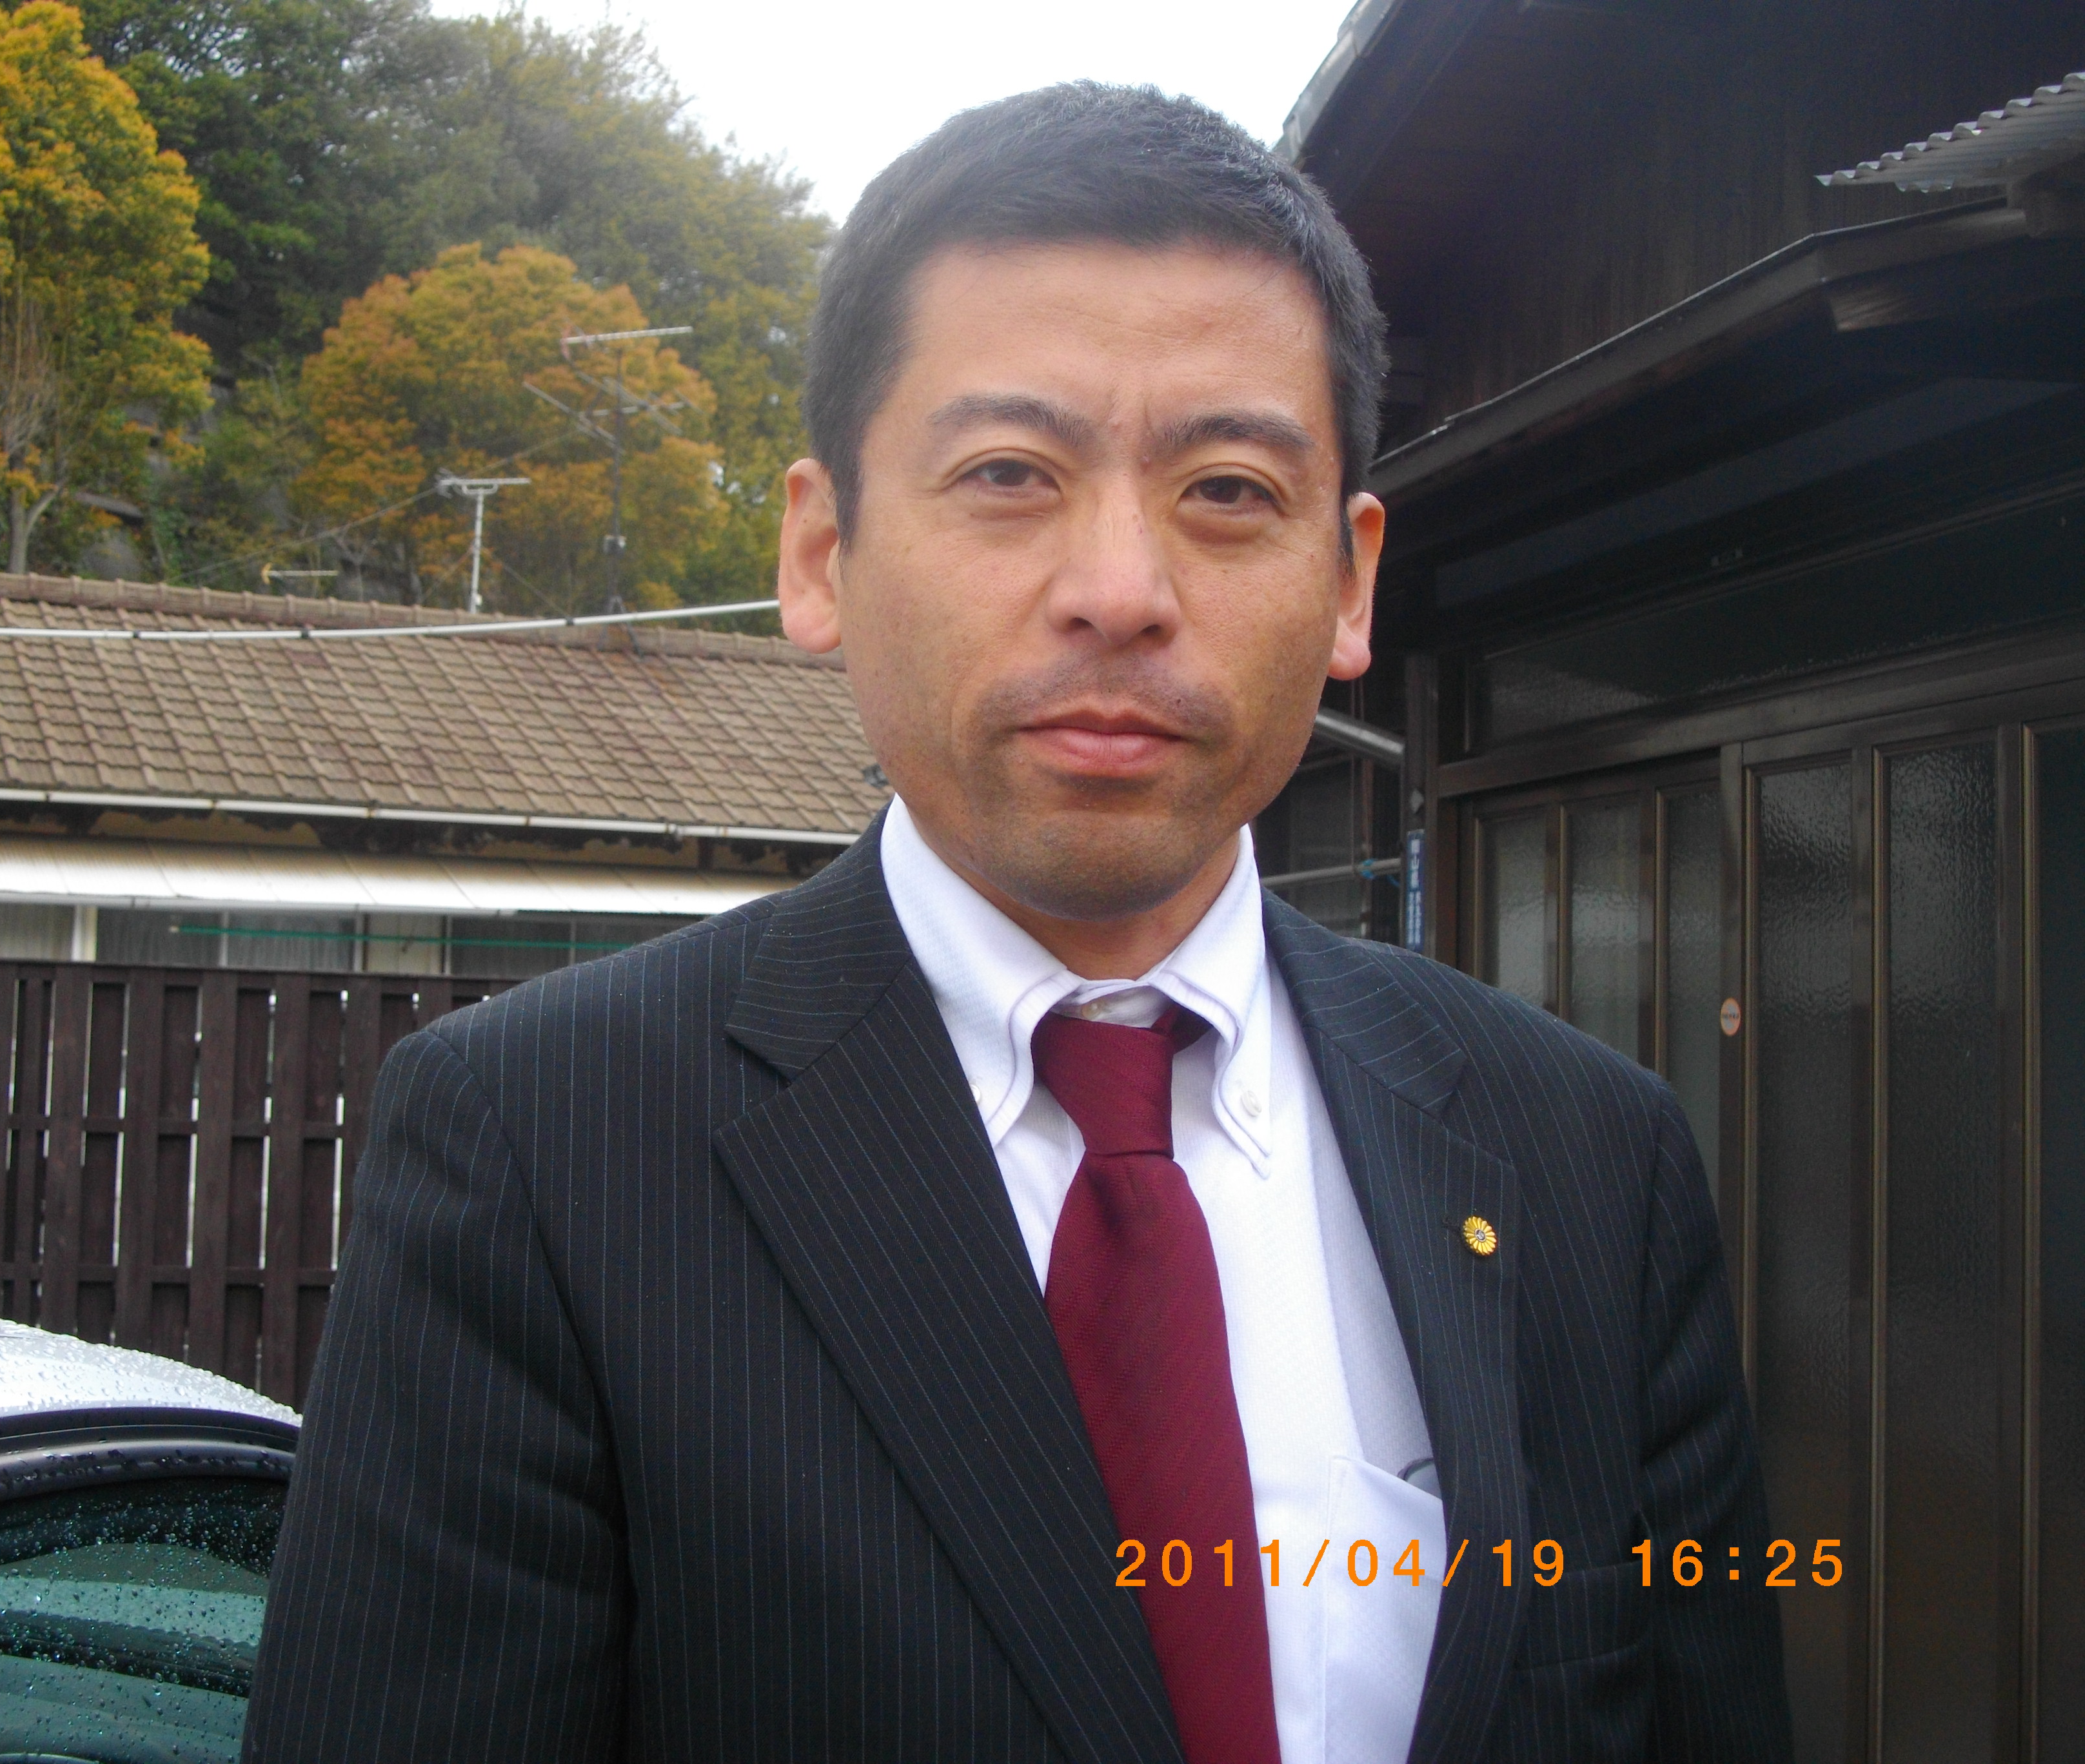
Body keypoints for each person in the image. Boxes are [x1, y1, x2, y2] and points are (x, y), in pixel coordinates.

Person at [244, 83, 1790, 1764]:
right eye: (1007, 473)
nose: (1120, 591)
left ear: (1350, 581)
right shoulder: (543, 1149)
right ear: (822, 552)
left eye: (1227, 490)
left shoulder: (1587, 1159)